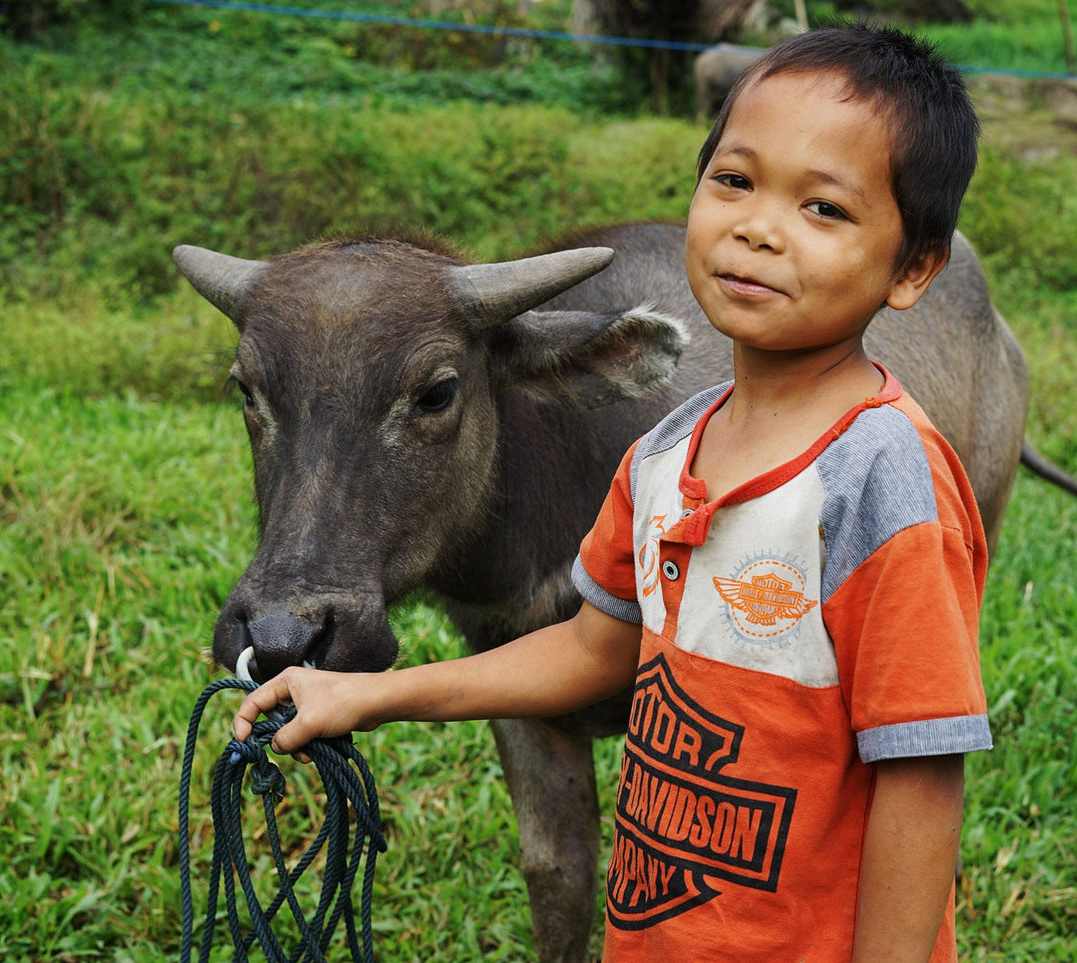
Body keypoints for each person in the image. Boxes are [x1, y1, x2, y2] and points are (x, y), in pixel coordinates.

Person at [233, 21, 991, 961]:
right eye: (734, 181)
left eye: (824, 209)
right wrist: (368, 697)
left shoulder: (885, 481)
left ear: (914, 266)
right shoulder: (665, 455)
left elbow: (920, 771)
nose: (758, 227)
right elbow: (590, 652)